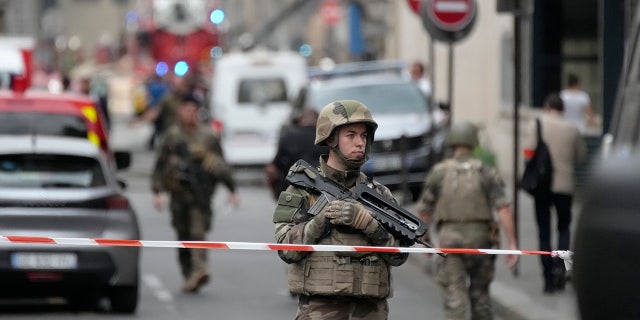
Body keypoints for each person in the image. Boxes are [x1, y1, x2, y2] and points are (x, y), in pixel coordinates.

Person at [272, 100, 409, 320]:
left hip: (370, 311)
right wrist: (321, 220)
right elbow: (286, 249)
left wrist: (370, 226)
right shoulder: (302, 189)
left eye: (364, 136)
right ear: (330, 138)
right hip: (320, 310)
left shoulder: (379, 195)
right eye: (351, 135)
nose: (360, 143)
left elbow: (399, 256)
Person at [416, 121, 518, 320]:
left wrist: (426, 240)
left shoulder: (440, 172)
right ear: (474, 141)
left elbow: (424, 212)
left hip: (449, 243)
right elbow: (504, 210)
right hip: (481, 242)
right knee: (481, 299)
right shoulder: (485, 172)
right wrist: (512, 243)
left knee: (455, 302)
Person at [151, 94, 239, 293]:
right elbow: (160, 164)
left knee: (197, 233)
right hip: (178, 194)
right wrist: (156, 192)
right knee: (182, 235)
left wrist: (231, 189)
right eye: (185, 109)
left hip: (200, 194)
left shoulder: (208, 136)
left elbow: (221, 165)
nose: (189, 113)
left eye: (192, 109)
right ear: (180, 110)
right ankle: (188, 273)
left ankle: (200, 269)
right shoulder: (172, 135)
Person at [523, 93, 586, 294]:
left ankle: (548, 279)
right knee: (564, 228)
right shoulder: (572, 128)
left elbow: (527, 153)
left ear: (547, 106)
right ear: (563, 109)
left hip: (542, 185)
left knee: (544, 231)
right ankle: (561, 267)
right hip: (564, 186)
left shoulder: (537, 124)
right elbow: (581, 156)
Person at [265, 107, 327, 200]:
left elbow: (273, 168)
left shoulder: (288, 136)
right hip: (322, 190)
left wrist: (276, 192)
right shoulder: (326, 138)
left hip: (292, 189)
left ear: (300, 120)